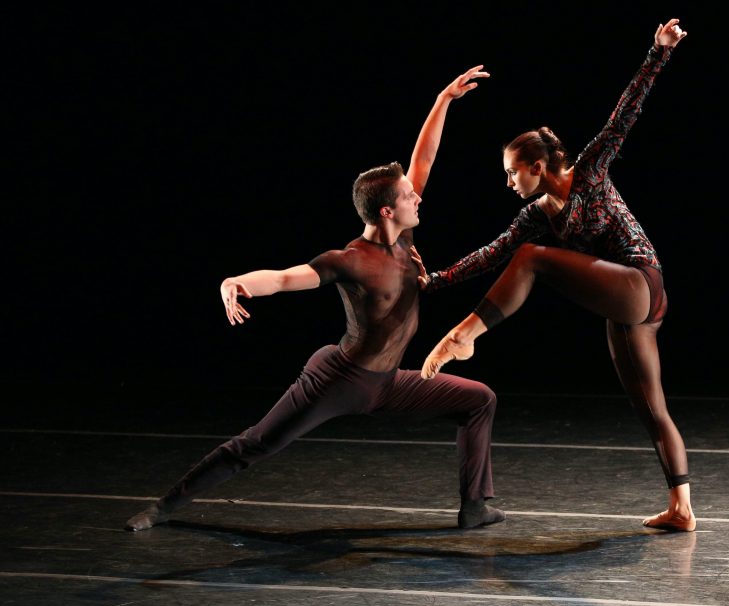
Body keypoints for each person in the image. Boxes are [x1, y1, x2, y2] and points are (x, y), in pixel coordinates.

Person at [126, 65, 506, 532]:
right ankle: (163, 507)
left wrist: (443, 100)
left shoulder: (404, 236)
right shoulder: (350, 260)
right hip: (340, 379)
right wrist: (236, 281)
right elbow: (287, 279)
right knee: (257, 444)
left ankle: (473, 508)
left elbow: (423, 160)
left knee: (478, 399)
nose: (418, 198)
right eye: (410, 197)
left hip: (388, 383)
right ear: (387, 210)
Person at [419, 20, 695, 531]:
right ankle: (683, 508)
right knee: (650, 407)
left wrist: (658, 54)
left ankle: (465, 335)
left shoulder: (588, 171)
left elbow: (624, 117)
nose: (507, 182)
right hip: (626, 307)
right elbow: (490, 254)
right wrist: (432, 282)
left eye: (512, 172)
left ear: (539, 165)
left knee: (533, 258)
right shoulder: (538, 214)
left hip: (641, 282)